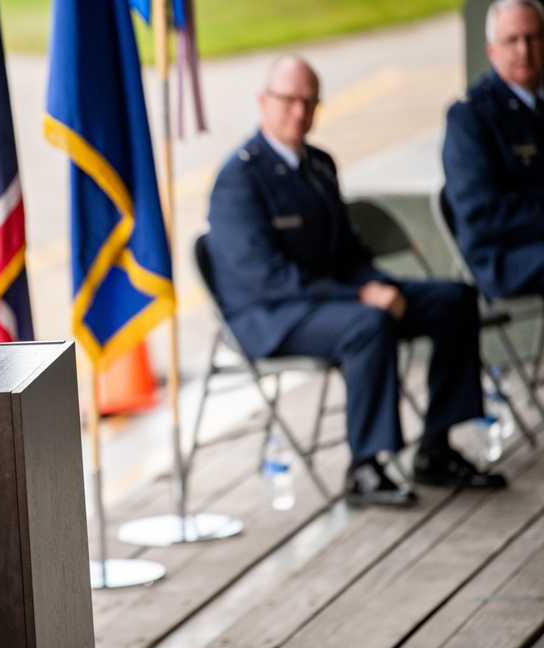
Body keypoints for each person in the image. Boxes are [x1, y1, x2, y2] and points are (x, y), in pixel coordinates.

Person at [205, 55, 506, 508]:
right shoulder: (239, 179)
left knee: (455, 299)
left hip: (334, 301)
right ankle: (366, 466)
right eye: (288, 100)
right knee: (369, 324)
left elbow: (350, 252)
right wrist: (362, 295)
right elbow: (268, 278)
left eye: (309, 102)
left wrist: (380, 285)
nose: (299, 112)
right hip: (270, 315)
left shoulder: (320, 165)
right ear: (263, 102)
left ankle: (437, 448)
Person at [442, 0, 544, 299]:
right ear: (491, 50)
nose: (524, 51)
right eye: (511, 40)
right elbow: (482, 214)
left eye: (533, 37)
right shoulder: (470, 117)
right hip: (504, 256)